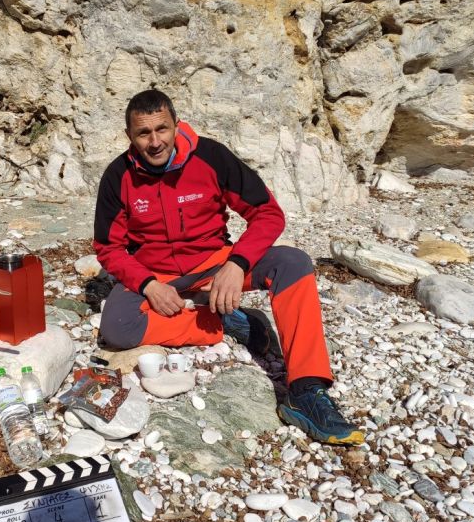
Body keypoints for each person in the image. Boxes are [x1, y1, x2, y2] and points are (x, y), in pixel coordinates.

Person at [94, 89, 363, 446]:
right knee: (115, 328)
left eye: (162, 129)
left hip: (215, 263)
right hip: (156, 273)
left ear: (176, 124)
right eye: (144, 133)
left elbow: (267, 213)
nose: (155, 142)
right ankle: (222, 322)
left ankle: (306, 390)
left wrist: (236, 264)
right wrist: (148, 285)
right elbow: (108, 248)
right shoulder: (118, 176)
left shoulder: (211, 157)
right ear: (129, 135)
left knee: (292, 262)